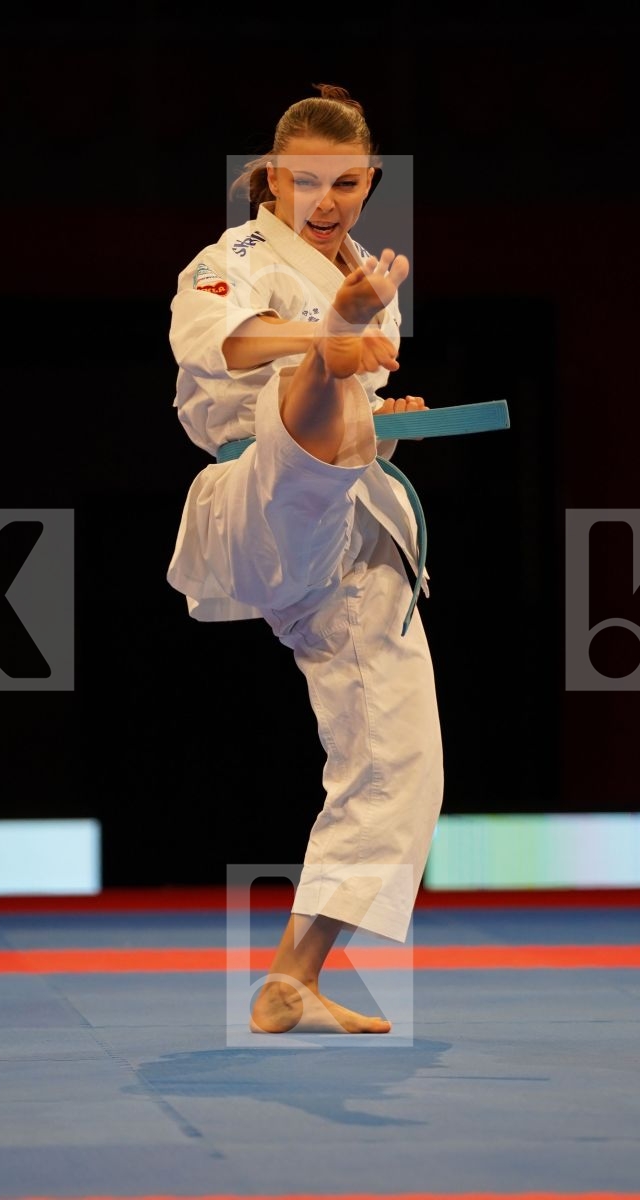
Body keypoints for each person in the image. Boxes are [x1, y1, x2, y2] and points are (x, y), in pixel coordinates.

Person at [166, 83, 444, 1034]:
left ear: (370, 182)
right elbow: (216, 342)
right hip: (258, 497)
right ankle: (327, 371)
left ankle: (294, 971)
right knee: (312, 378)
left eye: (347, 183)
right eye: (305, 181)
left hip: (349, 539)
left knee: (402, 764)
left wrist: (386, 421)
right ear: (274, 180)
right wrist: (335, 342)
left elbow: (357, 407)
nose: (326, 201)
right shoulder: (235, 257)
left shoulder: (367, 273)